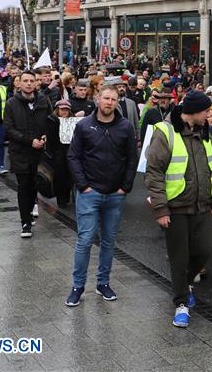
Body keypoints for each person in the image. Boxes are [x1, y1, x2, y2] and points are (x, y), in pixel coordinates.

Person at [144, 91, 212, 327]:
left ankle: (184, 284)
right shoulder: (165, 131)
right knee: (179, 257)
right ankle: (181, 303)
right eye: (206, 111)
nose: (209, 115)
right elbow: (154, 172)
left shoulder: (204, 132)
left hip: (202, 204)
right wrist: (160, 209)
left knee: (205, 248)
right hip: (175, 206)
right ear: (195, 111)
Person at [65, 85, 137, 307]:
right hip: (90, 193)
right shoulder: (85, 125)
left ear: (117, 102)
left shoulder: (125, 127)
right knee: (85, 240)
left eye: (114, 99)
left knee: (108, 241)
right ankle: (78, 286)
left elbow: (132, 158)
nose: (109, 102)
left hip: (115, 194)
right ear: (97, 99)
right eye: (106, 98)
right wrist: (83, 185)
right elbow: (73, 156)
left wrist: (125, 187)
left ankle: (102, 283)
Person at [4, 70, 52, 238]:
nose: (29, 83)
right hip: (20, 152)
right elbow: (9, 128)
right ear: (19, 83)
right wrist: (28, 140)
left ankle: (30, 211)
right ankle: (25, 222)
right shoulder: (11, 103)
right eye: (26, 80)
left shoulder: (43, 100)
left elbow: (50, 120)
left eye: (32, 80)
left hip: (39, 152)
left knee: (34, 184)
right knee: (23, 186)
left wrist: (46, 135)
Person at [45, 99, 75, 207]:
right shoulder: (51, 120)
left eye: (66, 110)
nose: (64, 112)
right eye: (62, 109)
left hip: (70, 152)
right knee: (60, 177)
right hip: (57, 153)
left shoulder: (72, 120)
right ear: (57, 110)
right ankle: (61, 200)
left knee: (70, 176)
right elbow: (49, 138)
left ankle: (67, 197)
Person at [108, 76, 140, 142]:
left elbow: (136, 121)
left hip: (130, 136)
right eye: (119, 87)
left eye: (123, 87)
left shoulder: (131, 103)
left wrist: (138, 138)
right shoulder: (110, 103)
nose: (122, 89)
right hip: (115, 136)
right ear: (115, 89)